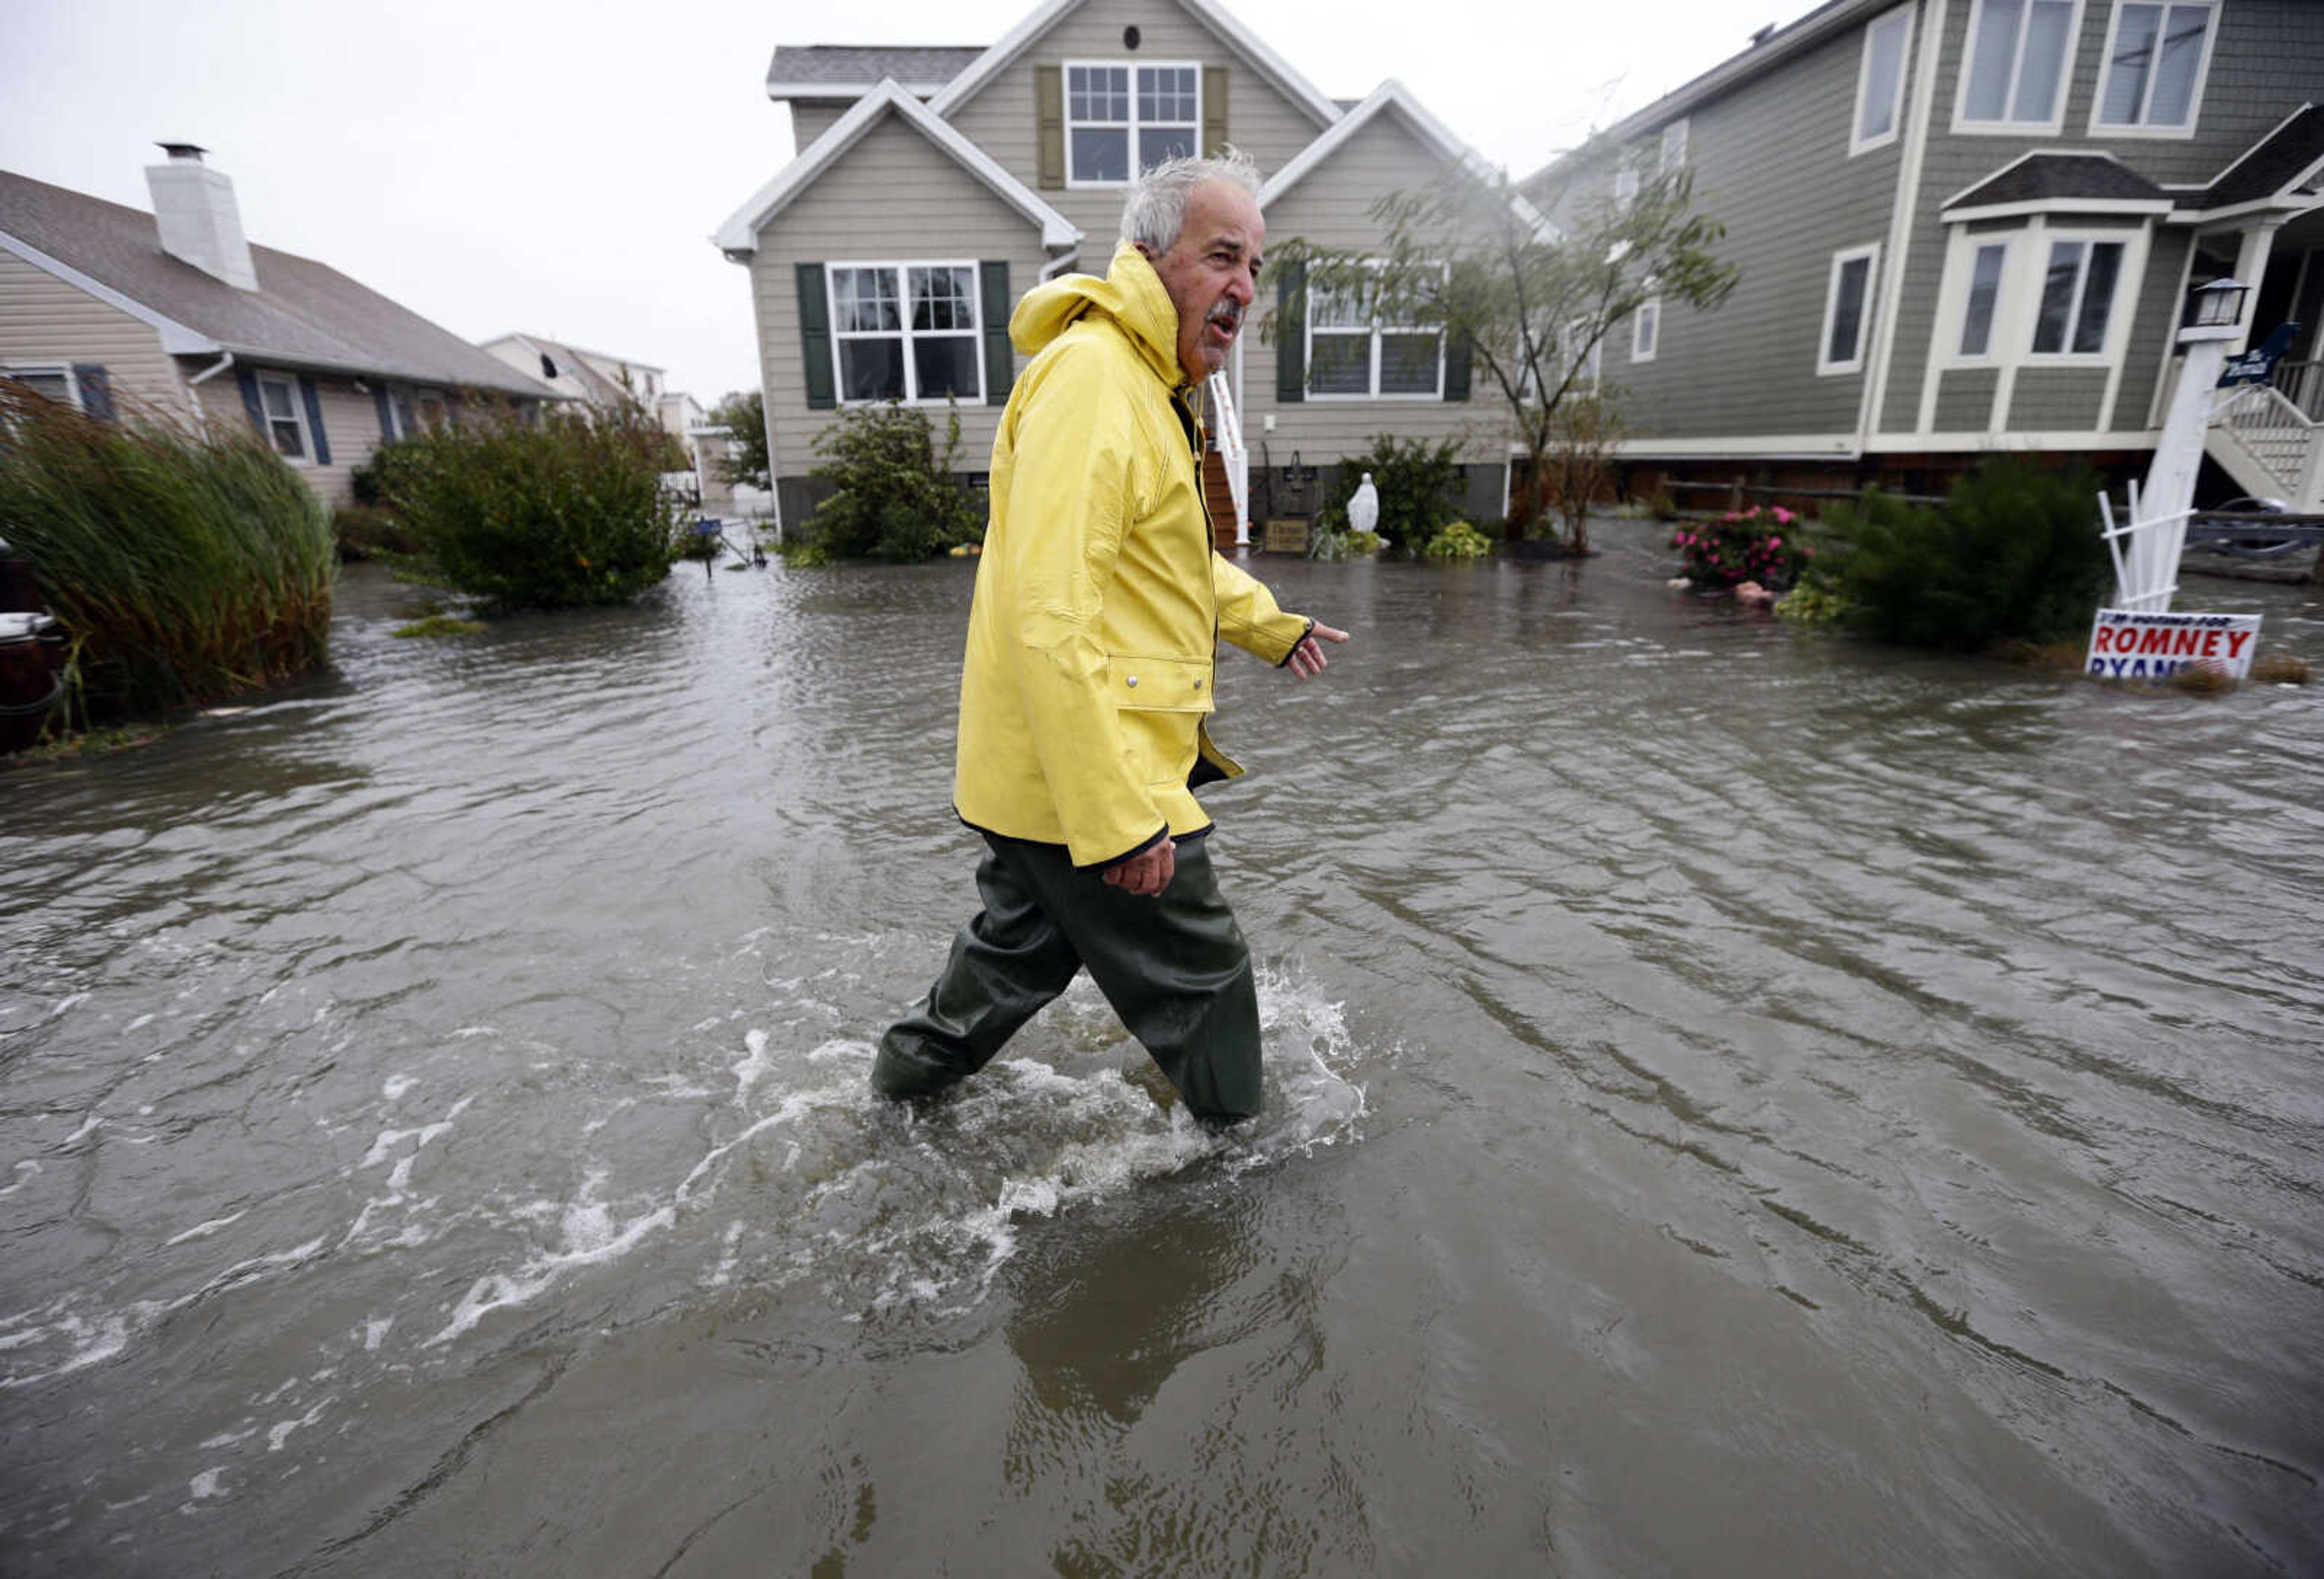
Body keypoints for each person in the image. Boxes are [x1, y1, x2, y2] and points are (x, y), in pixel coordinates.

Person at [871, 149, 1348, 1124]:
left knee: (1011, 964)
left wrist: (1268, 623)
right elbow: (1053, 615)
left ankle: (890, 1101)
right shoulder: (1097, 382)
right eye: (1223, 257)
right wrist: (1122, 817)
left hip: (1038, 781)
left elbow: (1165, 562)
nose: (1243, 289)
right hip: (1091, 780)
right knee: (1208, 976)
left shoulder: (1141, 381)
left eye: (1255, 265)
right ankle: (1242, 1169)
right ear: (1149, 253)